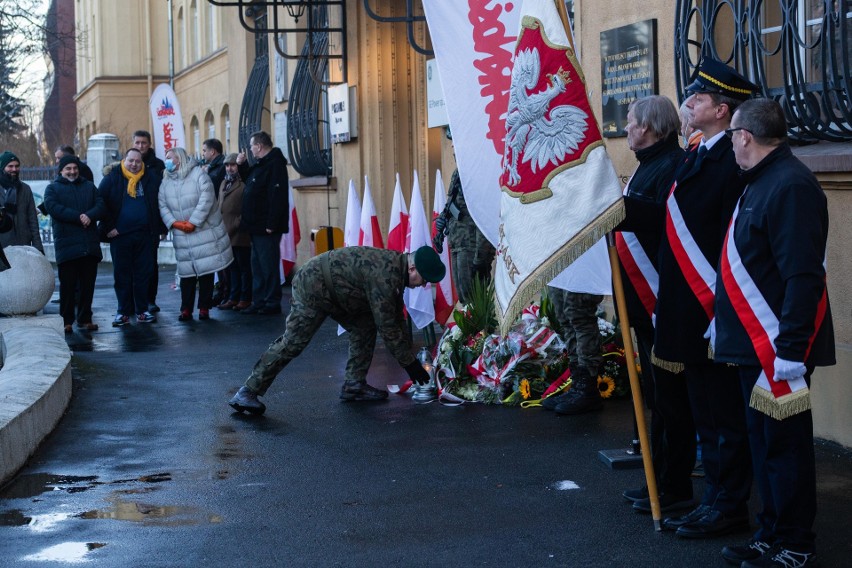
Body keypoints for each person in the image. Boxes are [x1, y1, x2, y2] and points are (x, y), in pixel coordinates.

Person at [714, 99, 834, 568]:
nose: (730, 144)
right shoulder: (762, 182)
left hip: (780, 347)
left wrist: (789, 349)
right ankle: (770, 533)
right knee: (764, 446)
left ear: (744, 135)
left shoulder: (791, 186)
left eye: (731, 137)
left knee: (786, 450)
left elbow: (803, 276)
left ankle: (796, 545)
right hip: (754, 343)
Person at [646, 58, 758, 538]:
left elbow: (728, 239)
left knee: (721, 415)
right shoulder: (697, 154)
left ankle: (728, 504)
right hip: (686, 307)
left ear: (722, 110)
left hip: (712, 307)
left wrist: (720, 307)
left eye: (698, 97)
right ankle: (711, 497)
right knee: (703, 412)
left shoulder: (730, 163)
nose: (688, 102)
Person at [228, 246, 446, 415]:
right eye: (423, 279)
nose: (422, 284)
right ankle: (247, 391)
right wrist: (409, 364)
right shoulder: (385, 276)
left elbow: (395, 316)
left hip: (338, 292)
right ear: (412, 268)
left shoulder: (395, 269)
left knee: (365, 325)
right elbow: (388, 326)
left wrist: (410, 359)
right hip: (313, 285)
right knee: (293, 342)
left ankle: (354, 385)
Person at [612, 95, 695, 514]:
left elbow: (665, 220)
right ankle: (658, 480)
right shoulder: (648, 166)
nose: (625, 128)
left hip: (663, 305)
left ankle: (673, 487)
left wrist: (616, 207)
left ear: (649, 127)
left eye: (630, 121)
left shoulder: (673, 167)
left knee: (671, 403)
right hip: (646, 310)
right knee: (658, 400)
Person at [158, 147, 233, 321]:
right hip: (182, 234)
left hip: (202, 232)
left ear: (180, 158)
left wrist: (193, 222)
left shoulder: (198, 175)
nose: (167, 161)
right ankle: (186, 309)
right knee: (186, 274)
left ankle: (204, 308)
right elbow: (162, 205)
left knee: (206, 272)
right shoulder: (166, 181)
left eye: (170, 157)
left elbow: (207, 199)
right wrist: (174, 223)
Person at [98, 148, 165, 326]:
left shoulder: (151, 178)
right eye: (131, 161)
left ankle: (142, 310)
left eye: (138, 161)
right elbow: (100, 203)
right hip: (120, 236)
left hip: (145, 235)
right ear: (124, 160)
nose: (134, 164)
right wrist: (109, 227)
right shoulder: (112, 178)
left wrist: (161, 228)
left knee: (144, 274)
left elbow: (160, 203)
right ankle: (123, 312)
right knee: (122, 275)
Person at [43, 155, 106, 333]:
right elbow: (53, 208)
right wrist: (79, 217)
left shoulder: (89, 187)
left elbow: (101, 205)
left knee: (88, 285)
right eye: (68, 169)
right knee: (68, 287)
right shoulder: (52, 189)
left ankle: (85, 318)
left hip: (89, 245)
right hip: (67, 245)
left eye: (74, 168)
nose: (72, 171)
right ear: (61, 171)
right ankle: (66, 320)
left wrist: (90, 215)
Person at [440, 127, 496, 305]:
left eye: (456, 142)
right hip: (457, 242)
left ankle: (478, 333)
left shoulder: (478, 173)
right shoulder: (459, 173)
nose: (453, 147)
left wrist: (481, 256)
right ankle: (471, 333)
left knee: (474, 301)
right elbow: (454, 205)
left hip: (471, 246)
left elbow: (485, 216)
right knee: (464, 300)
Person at [236, 130, 289, 315]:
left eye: (251, 146)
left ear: (258, 146)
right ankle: (258, 301)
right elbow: (250, 181)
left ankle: (271, 302)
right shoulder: (261, 164)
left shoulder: (274, 164)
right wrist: (242, 166)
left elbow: (278, 196)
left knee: (268, 265)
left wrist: (272, 223)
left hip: (266, 226)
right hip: (255, 225)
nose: (250, 150)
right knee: (257, 265)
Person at [539, 287, 604, 415]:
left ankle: (587, 389)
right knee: (564, 317)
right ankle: (577, 385)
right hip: (560, 268)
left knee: (580, 316)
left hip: (581, 269)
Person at [132, 130, 166, 313]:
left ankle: (150, 299)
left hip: (152, 223)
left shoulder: (158, 165)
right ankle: (135, 300)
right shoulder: (127, 164)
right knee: (132, 266)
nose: (140, 146)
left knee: (151, 264)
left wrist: (162, 226)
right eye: (137, 142)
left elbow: (163, 196)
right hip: (131, 225)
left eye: (143, 143)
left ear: (149, 144)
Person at [217, 153, 252, 311]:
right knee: (232, 268)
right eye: (227, 165)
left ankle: (245, 298)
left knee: (243, 267)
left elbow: (247, 208)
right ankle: (233, 297)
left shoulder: (243, 184)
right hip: (226, 232)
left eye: (232, 165)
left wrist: (236, 224)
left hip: (239, 233)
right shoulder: (224, 183)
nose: (229, 168)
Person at [0, 151, 44, 253]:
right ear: (2, 168)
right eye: (10, 166)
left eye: (17, 166)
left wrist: (39, 248)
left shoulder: (25, 189)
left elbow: (33, 220)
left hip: (24, 246)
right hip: (3, 248)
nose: (14, 169)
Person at [201, 138, 228, 303]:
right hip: (214, 215)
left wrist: (205, 176)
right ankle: (222, 290)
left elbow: (213, 189)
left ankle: (225, 292)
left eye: (204, 150)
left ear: (212, 152)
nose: (202, 153)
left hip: (219, 216)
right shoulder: (213, 167)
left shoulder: (220, 167)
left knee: (222, 257)